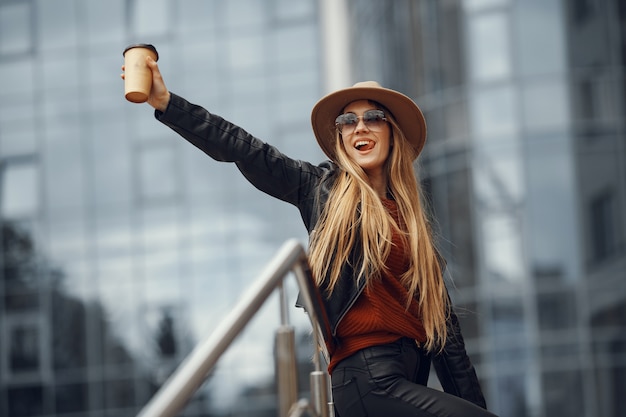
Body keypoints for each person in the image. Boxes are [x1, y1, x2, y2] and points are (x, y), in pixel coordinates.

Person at [121, 55, 498, 417]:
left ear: (392, 132)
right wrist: (168, 104)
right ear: (340, 138)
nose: (359, 127)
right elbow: (247, 151)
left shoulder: (414, 230)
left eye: (373, 117)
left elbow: (451, 349)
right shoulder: (321, 191)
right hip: (368, 379)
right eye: (347, 121)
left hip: (407, 377)